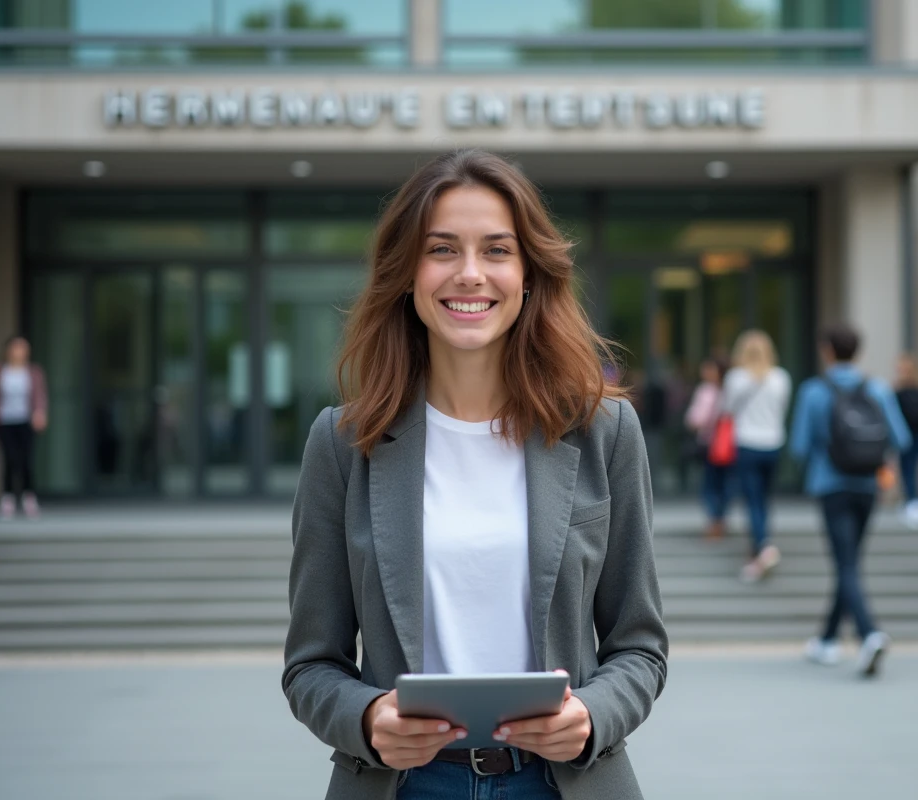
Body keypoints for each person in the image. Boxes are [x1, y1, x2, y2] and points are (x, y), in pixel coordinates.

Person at [283, 149, 668, 800]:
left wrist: (591, 717)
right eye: (441, 250)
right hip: (404, 785)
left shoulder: (605, 433)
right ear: (406, 273)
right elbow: (310, 665)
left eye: (495, 250)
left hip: (561, 783)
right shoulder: (343, 444)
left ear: (527, 275)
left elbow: (640, 647)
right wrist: (369, 719)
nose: (469, 274)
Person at [789, 324, 911, 677]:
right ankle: (826, 639)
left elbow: (799, 446)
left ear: (827, 350)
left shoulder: (814, 391)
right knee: (849, 562)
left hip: (830, 485)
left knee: (845, 564)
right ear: (858, 351)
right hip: (868, 486)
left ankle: (869, 633)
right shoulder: (878, 388)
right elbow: (900, 438)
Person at [723, 330, 791, 583]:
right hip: (773, 443)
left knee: (752, 499)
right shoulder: (781, 377)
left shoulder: (736, 378)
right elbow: (782, 409)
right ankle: (761, 548)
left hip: (747, 443)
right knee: (764, 498)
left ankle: (763, 546)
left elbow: (728, 409)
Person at [0, 336, 48, 519]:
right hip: (5, 421)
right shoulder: (0, 371)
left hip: (25, 420)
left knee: (26, 460)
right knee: (9, 458)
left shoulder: (33, 372)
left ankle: (29, 497)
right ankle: (8, 498)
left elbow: (40, 395)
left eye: (23, 348)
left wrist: (40, 412)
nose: (19, 352)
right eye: (16, 348)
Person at [684, 357, 730, 540]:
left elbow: (695, 419)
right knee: (724, 483)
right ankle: (719, 519)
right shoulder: (730, 390)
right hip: (727, 445)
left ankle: (715, 520)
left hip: (710, 443)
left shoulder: (706, 391)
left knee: (710, 484)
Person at [894, 354, 918, 526]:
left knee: (908, 468)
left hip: (908, 436)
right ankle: (912, 502)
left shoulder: (900, 393)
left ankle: (913, 502)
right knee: (912, 468)